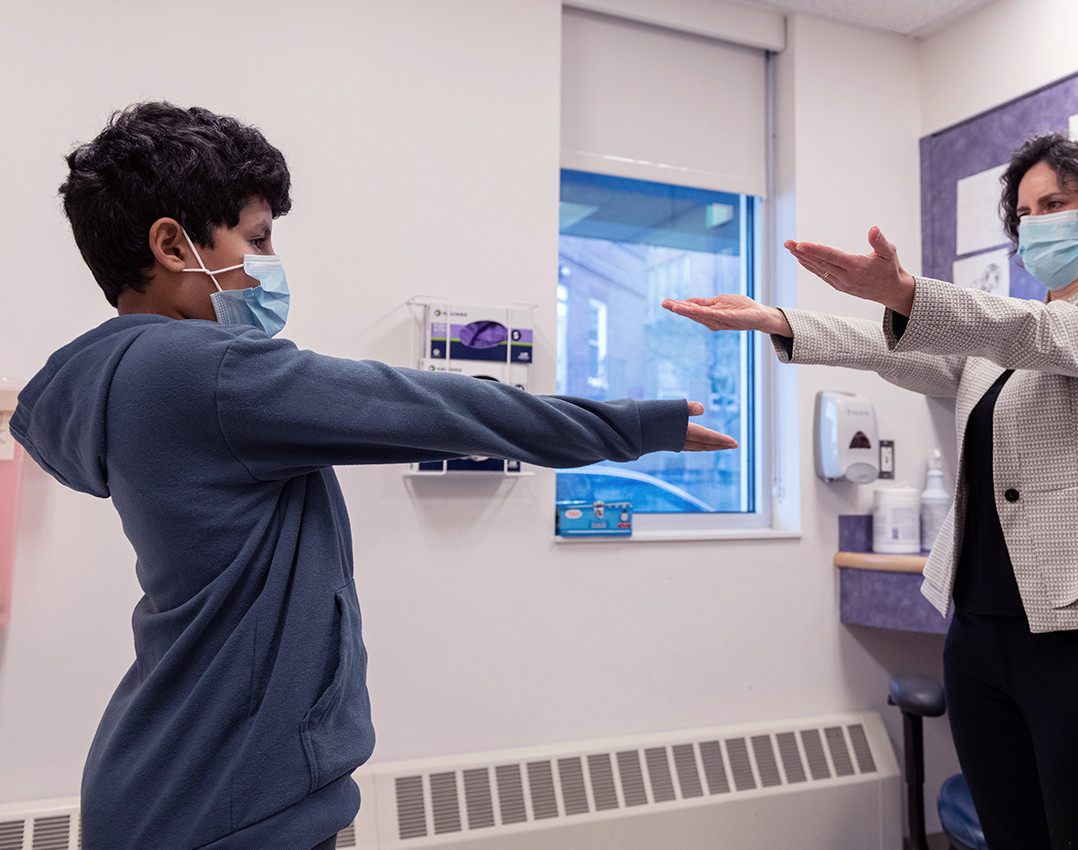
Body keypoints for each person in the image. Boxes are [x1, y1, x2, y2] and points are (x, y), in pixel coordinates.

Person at [10, 102, 736, 850]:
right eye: (257, 237)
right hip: (225, 806)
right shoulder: (207, 373)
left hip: (179, 787)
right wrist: (633, 427)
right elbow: (434, 407)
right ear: (172, 244)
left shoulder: (123, 379)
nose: (269, 261)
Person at [664, 133, 1078, 849]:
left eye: (1056, 204)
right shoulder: (1000, 350)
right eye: (1027, 210)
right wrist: (779, 320)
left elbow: (1040, 332)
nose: (1037, 221)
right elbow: (895, 346)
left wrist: (908, 291)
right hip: (981, 635)